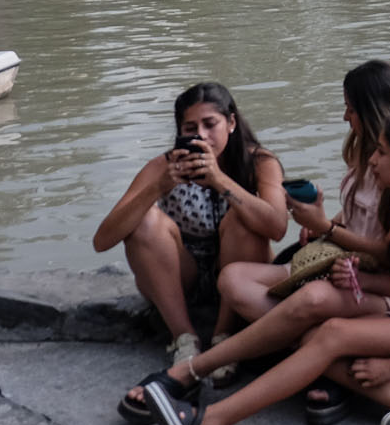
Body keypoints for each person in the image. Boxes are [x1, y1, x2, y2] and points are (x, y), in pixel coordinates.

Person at [141, 107, 390, 425]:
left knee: (329, 336)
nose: (372, 160)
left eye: (382, 152)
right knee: (313, 338)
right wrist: (342, 247)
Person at [201, 59, 390, 425]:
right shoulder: (361, 153)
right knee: (233, 279)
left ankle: (318, 365)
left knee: (312, 299)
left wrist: (329, 230)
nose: (345, 116)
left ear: (372, 109)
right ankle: (323, 362)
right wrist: (324, 223)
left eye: (351, 108)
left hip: (377, 285)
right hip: (335, 264)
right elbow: (358, 216)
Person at [94, 83, 288, 376]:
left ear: (231, 123)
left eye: (210, 124)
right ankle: (184, 338)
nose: (202, 135)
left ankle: (225, 336)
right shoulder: (163, 166)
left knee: (243, 219)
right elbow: (102, 240)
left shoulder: (259, 162)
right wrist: (158, 188)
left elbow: (277, 227)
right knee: (145, 220)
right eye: (190, 127)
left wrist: (219, 180)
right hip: (182, 275)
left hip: (241, 273)